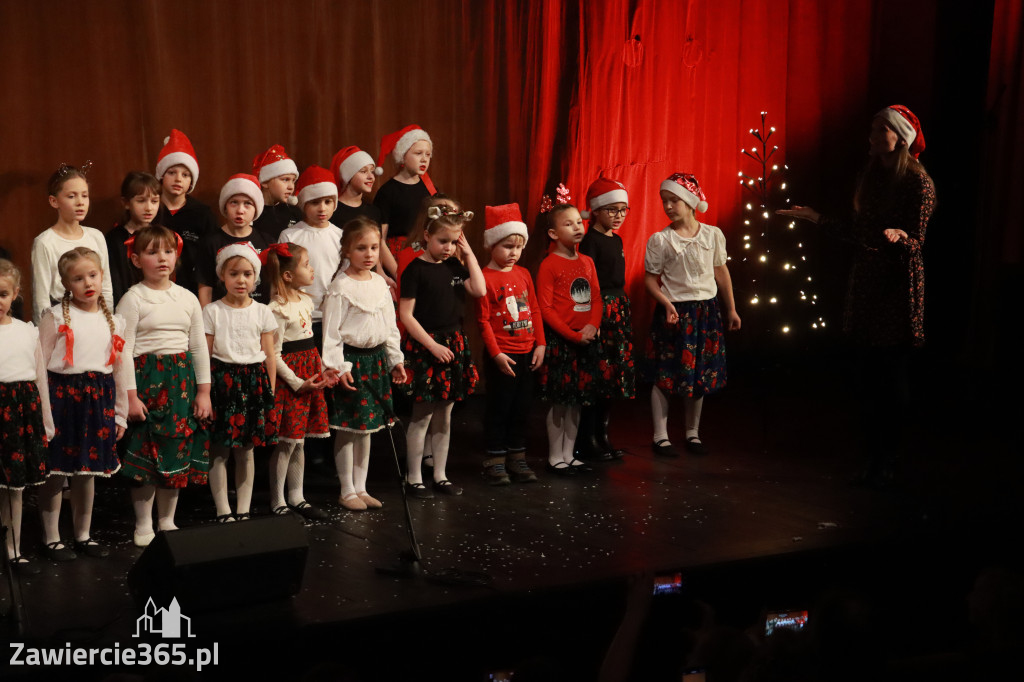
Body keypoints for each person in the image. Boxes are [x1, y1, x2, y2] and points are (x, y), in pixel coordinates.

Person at [778, 104, 935, 486]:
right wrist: (816, 218)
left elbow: (917, 242)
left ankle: (889, 457)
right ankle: (871, 455)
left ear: (899, 137)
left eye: (879, 129)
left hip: (895, 284)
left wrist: (902, 238)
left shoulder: (918, 183)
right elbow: (857, 232)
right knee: (866, 376)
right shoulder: (870, 176)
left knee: (891, 374)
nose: (870, 136)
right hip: (866, 279)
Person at [117, 226, 212, 547]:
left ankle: (167, 520)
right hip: (146, 382)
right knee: (144, 452)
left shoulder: (186, 298)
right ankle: (143, 523)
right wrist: (129, 396)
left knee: (176, 449)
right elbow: (123, 351)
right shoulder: (133, 299)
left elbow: (198, 346)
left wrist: (204, 391)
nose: (162, 258)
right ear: (136, 259)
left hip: (180, 384)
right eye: (152, 252)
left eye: (168, 251)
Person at [36, 247, 130, 561]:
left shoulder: (115, 321)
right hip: (62, 400)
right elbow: (40, 365)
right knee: (56, 472)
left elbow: (118, 370)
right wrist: (45, 416)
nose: (87, 282)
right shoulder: (54, 317)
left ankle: (83, 535)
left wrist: (120, 414)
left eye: (92, 275)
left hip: (98, 400)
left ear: (102, 276)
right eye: (78, 278)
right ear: (66, 284)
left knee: (87, 472)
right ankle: (52, 538)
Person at [644, 173, 740, 457]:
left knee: (699, 373)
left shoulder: (713, 235)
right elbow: (650, 280)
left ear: (690, 202)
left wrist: (731, 308)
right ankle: (660, 435)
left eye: (674, 200)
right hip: (675, 312)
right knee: (665, 374)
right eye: (665, 201)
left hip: (706, 312)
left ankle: (692, 432)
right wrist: (665, 303)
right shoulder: (661, 240)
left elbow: (721, 272)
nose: (669, 206)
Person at [398, 199, 484, 498]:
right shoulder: (415, 270)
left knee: (445, 416)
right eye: (442, 241)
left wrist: (468, 251)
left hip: (453, 344)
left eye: (453, 242)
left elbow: (480, 289)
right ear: (427, 236)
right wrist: (432, 345)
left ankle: (440, 474)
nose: (448, 247)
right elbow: (406, 315)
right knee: (421, 416)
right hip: (427, 346)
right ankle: (413, 477)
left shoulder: (454, 265)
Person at [321, 218, 405, 510]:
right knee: (348, 428)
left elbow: (390, 327)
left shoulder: (380, 283)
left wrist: (395, 359)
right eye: (361, 248)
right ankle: (346, 490)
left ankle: (361, 486)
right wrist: (338, 367)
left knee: (368, 428)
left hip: (376, 361)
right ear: (346, 250)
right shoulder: (340, 287)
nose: (369, 254)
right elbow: (331, 334)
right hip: (352, 363)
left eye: (373, 248)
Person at [203, 243, 278, 522]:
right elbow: (206, 355)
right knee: (220, 450)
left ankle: (244, 511)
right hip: (222, 382)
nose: (241, 280)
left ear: (255, 278)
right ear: (222, 275)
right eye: (234, 273)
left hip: (253, 383)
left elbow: (269, 355)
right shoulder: (212, 311)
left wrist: (269, 390)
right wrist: (206, 392)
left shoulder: (262, 312)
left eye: (247, 274)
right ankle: (223, 510)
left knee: (246, 450)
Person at [263, 242, 334, 520]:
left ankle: (297, 495)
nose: (312, 269)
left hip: (309, 374)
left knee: (301, 441)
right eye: (306, 264)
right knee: (286, 441)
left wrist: (321, 371)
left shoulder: (306, 300)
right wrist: (297, 382)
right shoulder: (276, 309)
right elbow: (274, 355)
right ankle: (277, 499)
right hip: (291, 380)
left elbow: (311, 345)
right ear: (288, 275)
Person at [476, 203, 545, 485]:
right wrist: (496, 355)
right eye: (507, 246)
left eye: (518, 247)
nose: (513, 253)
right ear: (492, 244)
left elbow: (535, 309)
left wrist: (540, 344)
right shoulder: (485, 277)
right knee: (499, 408)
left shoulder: (524, 274)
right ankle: (495, 460)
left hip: (528, 353)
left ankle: (517, 458)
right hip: (502, 356)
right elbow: (482, 321)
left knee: (522, 408)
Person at [536, 200, 602, 476]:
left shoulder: (587, 261)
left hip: (585, 341)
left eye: (579, 221)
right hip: (562, 343)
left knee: (577, 402)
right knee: (560, 401)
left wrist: (593, 327)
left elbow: (596, 298)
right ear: (553, 233)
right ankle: (555, 457)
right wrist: (571, 335)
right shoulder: (549, 265)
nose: (577, 226)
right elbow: (546, 308)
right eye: (568, 223)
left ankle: (569, 453)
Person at [0, 259, 53, 574]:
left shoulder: (27, 331)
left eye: (3, 293)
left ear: (15, 294)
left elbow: (40, 380)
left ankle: (14, 549)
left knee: (13, 487)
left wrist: (46, 423)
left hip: (19, 410)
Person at [578, 178, 636, 461]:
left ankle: (602, 435)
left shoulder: (618, 239)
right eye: (612, 210)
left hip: (618, 308)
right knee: (596, 376)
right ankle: (586, 438)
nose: (619, 216)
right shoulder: (590, 241)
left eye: (624, 210)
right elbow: (587, 283)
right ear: (597, 210)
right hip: (600, 310)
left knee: (612, 377)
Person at [31, 162, 113, 323]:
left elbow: (107, 287)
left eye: (84, 195)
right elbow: (41, 299)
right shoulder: (45, 242)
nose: (80, 202)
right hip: (62, 319)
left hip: (95, 314)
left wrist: (107, 321)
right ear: (54, 201)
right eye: (71, 196)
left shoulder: (96, 236)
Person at [279, 166, 343, 346]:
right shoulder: (290, 235)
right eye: (315, 202)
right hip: (301, 316)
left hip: (333, 317)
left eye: (328, 202)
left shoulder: (341, 236)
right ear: (303, 204)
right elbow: (283, 279)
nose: (322, 208)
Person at [154, 129, 219, 294]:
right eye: (171, 172)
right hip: (154, 288)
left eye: (185, 175)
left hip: (192, 291)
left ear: (191, 181)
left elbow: (211, 258)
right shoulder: (151, 210)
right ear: (161, 175)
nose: (178, 179)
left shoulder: (202, 214)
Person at [195, 174, 272, 306]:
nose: (240, 210)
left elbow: (274, 286)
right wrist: (206, 318)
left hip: (258, 316)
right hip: (221, 315)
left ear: (256, 210)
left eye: (247, 204)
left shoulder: (267, 241)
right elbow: (205, 287)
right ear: (225, 206)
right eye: (234, 203)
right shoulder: (211, 242)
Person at [374, 124, 437, 277]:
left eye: (428, 155)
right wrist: (397, 272)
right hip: (398, 260)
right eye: (418, 153)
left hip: (425, 257)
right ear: (403, 155)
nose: (424, 159)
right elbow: (379, 239)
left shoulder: (430, 190)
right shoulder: (388, 192)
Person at [107, 172, 161, 305]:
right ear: (126, 203)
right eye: (141, 201)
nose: (149, 208)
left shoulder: (161, 235)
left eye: (154, 201)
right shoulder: (115, 239)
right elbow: (115, 280)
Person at [251, 144, 301, 241]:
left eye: (293, 181)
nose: (291, 187)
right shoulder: (253, 214)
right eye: (285, 180)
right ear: (265, 182)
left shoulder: (295, 213)